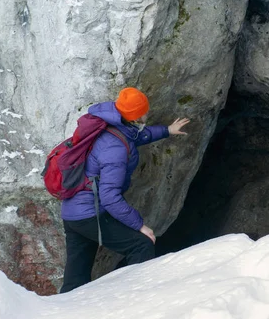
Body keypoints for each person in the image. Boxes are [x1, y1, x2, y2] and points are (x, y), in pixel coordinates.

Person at [59, 87, 190, 293]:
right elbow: (109, 197)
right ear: (136, 116)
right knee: (141, 245)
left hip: (72, 213)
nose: (148, 113)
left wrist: (167, 130)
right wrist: (140, 226)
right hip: (90, 213)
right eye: (145, 111)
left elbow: (136, 137)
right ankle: (131, 301)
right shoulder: (115, 149)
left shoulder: (112, 125)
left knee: (75, 279)